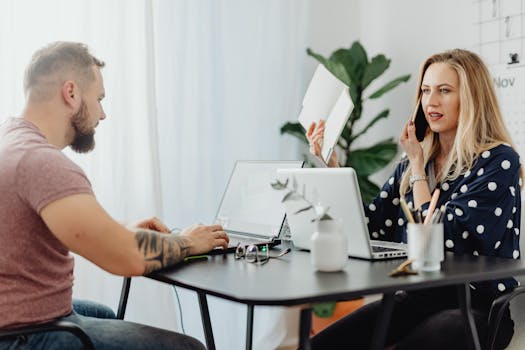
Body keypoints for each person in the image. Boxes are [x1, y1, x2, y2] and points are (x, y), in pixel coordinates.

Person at [0, 41, 230, 349]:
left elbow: (56, 229)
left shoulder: (11, 142)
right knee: (189, 347)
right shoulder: (42, 163)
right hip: (25, 337)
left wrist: (121, 230)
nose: (103, 114)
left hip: (13, 320)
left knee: (105, 314)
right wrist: (190, 242)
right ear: (71, 93)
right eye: (99, 98)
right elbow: (128, 259)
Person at [306, 49, 522, 349]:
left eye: (444, 91)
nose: (430, 101)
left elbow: (444, 238)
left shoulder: (499, 161)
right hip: (415, 300)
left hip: (477, 309)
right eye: (425, 90)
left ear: (471, 98)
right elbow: (370, 227)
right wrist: (333, 168)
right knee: (322, 345)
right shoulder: (412, 163)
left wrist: (418, 168)